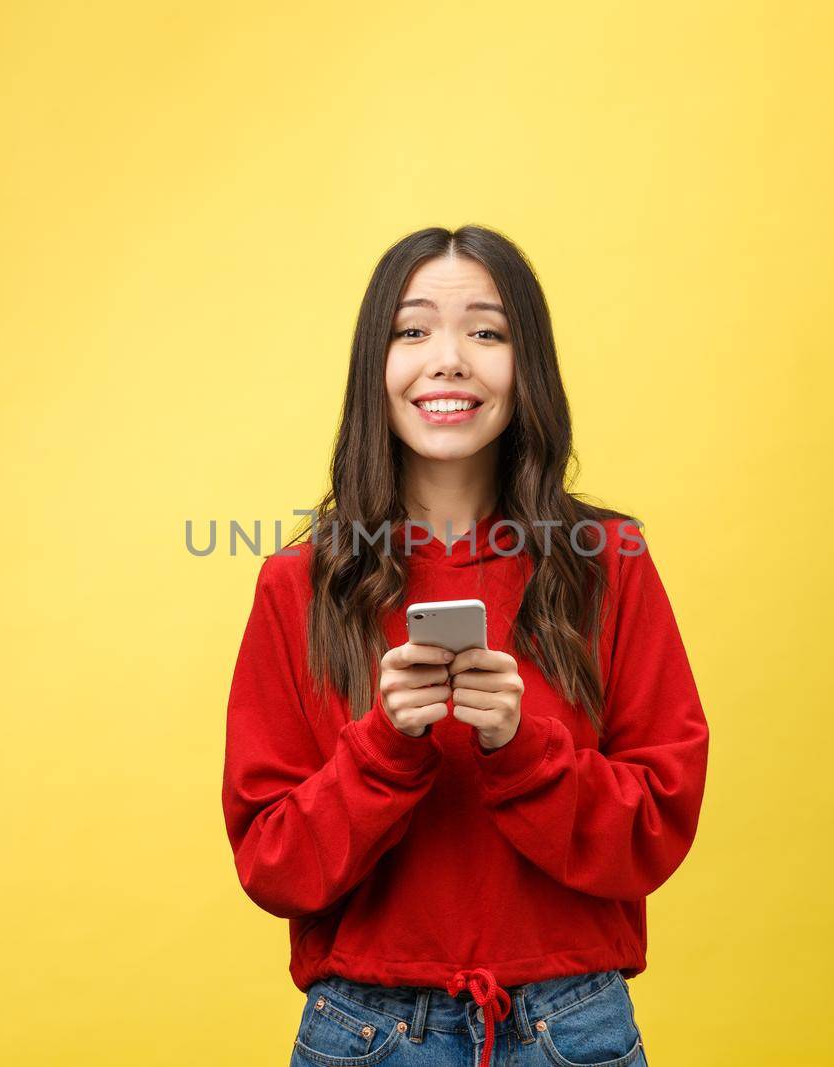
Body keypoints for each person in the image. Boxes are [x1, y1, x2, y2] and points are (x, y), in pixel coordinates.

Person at [220, 225, 710, 1067]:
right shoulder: (295, 583)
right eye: (413, 330)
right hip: (365, 1032)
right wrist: (382, 747)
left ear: (530, 370)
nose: (448, 359)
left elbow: (658, 825)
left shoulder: (610, 564)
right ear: (374, 366)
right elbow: (273, 865)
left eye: (486, 331)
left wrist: (522, 750)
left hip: (574, 1026)